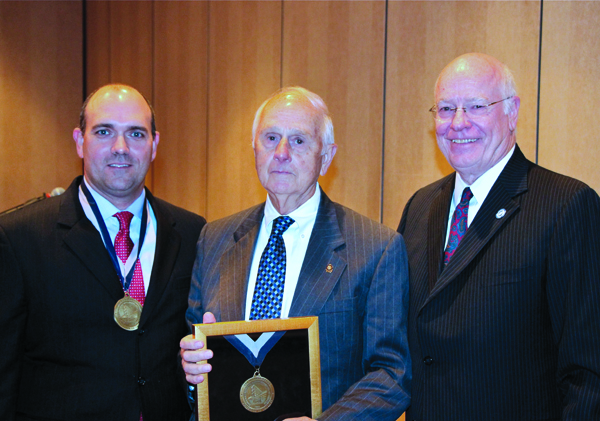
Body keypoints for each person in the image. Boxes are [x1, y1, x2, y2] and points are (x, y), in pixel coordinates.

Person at [181, 87, 410, 420]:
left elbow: (391, 374)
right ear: (254, 149)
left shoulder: (376, 248)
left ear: (326, 157)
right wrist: (190, 370)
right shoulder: (214, 239)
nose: (282, 152)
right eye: (271, 138)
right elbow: (194, 351)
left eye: (299, 140)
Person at [398, 52, 600, 420]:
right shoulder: (419, 207)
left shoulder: (565, 205)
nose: (458, 123)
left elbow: (588, 371)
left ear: (512, 112)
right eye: (445, 109)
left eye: (476, 106)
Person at [0, 84, 206, 421]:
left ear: (154, 145)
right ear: (80, 141)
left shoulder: (192, 231)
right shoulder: (18, 238)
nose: (120, 148)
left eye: (136, 134)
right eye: (104, 131)